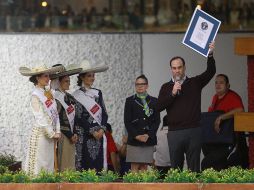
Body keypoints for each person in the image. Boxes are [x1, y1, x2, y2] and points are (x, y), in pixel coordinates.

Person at [156, 42, 216, 172]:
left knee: (194, 170)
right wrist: (172, 94)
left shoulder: (195, 82)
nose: (177, 70)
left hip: (193, 131)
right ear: (171, 69)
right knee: (176, 171)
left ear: (184, 67)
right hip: (174, 132)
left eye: (179, 67)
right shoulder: (166, 87)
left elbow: (211, 71)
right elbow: (158, 107)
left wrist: (210, 54)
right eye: (174, 68)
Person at [19, 65, 63, 176]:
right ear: (37, 78)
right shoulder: (35, 95)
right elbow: (40, 117)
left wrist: (57, 130)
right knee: (40, 164)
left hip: (51, 135)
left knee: (49, 165)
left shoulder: (48, 93)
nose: (48, 79)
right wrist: (52, 133)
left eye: (48, 76)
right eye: (45, 76)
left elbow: (55, 113)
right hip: (41, 135)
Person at [201, 74, 249, 170]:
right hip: (216, 139)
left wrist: (221, 117)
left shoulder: (232, 96)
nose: (218, 85)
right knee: (215, 164)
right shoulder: (215, 97)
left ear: (228, 85)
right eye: (216, 83)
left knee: (206, 163)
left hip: (228, 141)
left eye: (221, 82)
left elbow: (240, 110)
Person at [71, 60, 109, 171]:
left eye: (93, 76)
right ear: (82, 77)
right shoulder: (77, 95)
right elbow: (78, 116)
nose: (92, 78)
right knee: (85, 165)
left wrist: (102, 130)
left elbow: (104, 114)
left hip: (99, 135)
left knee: (98, 165)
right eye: (89, 76)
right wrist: (92, 131)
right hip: (84, 135)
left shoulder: (98, 93)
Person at [124, 74, 160, 172]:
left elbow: (157, 121)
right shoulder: (130, 101)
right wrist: (136, 136)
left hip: (148, 139)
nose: (140, 86)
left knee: (144, 167)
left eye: (142, 84)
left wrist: (148, 135)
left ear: (147, 86)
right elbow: (127, 121)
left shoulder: (154, 101)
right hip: (134, 139)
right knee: (134, 167)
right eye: (137, 84)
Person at [50, 64, 82, 171]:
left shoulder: (70, 97)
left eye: (69, 81)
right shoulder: (55, 98)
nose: (69, 83)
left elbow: (76, 116)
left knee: (70, 164)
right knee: (63, 164)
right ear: (58, 82)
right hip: (63, 135)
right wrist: (70, 134)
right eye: (66, 81)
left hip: (72, 135)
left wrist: (75, 133)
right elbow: (57, 119)